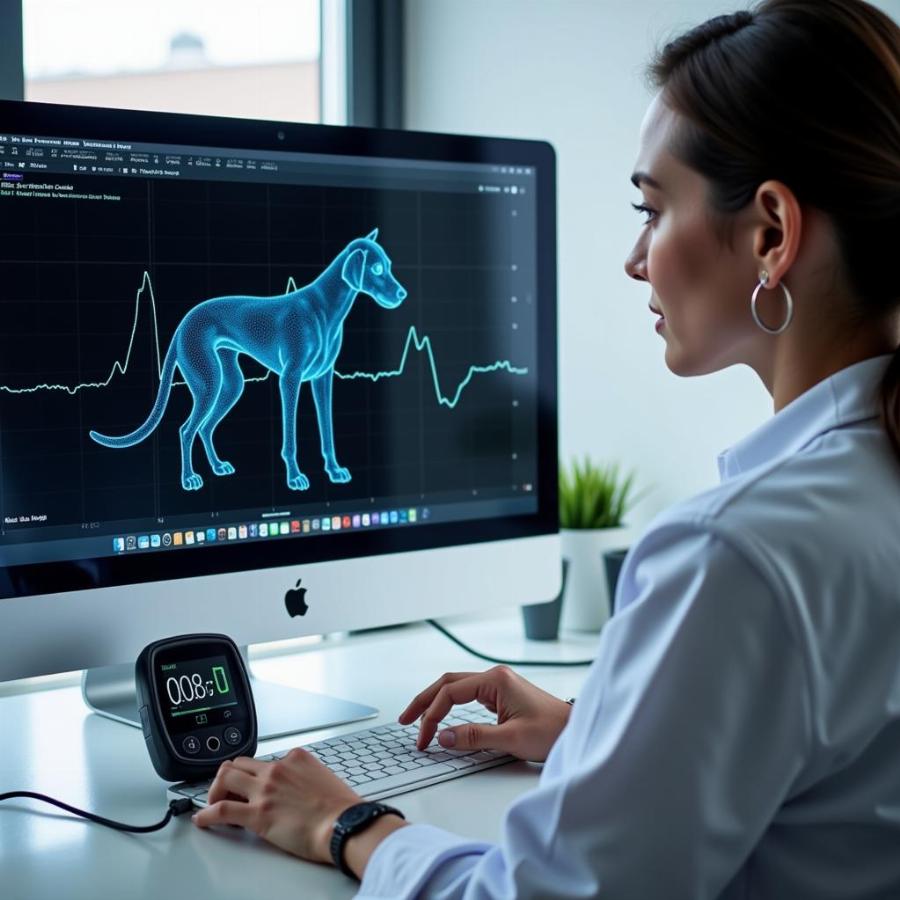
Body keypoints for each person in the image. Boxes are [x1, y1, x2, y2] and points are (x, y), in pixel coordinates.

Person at [192, 0, 900, 895]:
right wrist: (598, 729)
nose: (636, 258)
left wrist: (347, 824)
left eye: (653, 209)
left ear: (770, 232)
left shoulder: (737, 556)